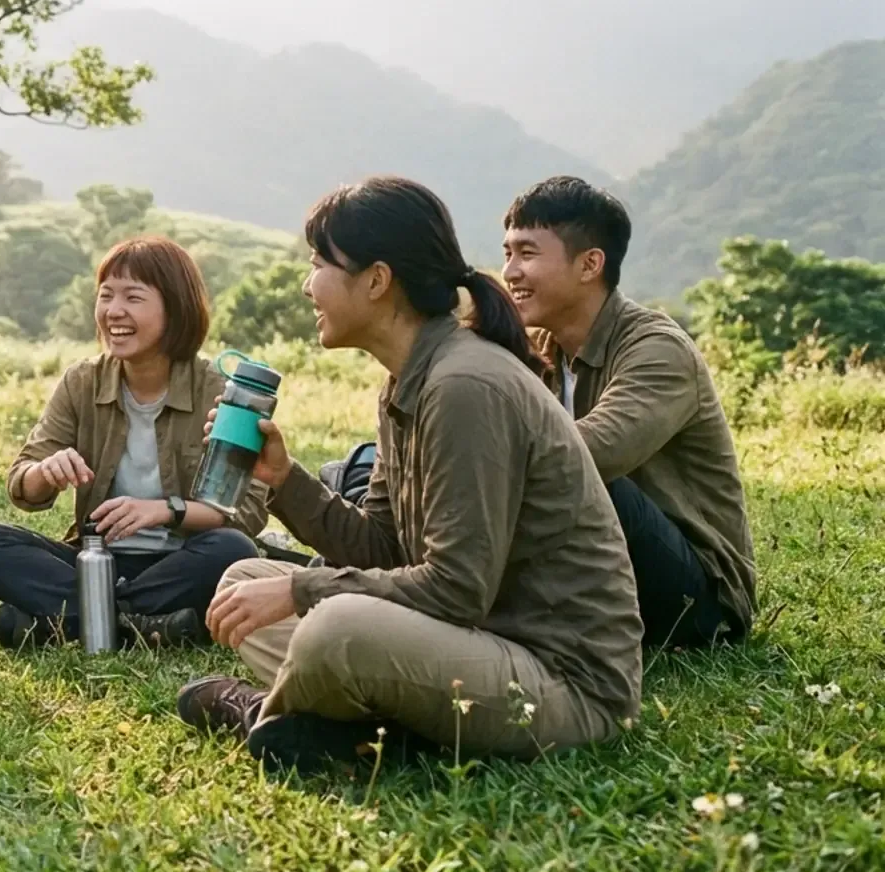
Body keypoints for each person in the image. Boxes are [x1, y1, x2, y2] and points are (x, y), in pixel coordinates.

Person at [177, 177, 643, 774]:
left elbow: (456, 588)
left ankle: (268, 715)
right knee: (243, 578)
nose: (306, 283)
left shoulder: (463, 386)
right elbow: (383, 549)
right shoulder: (409, 380)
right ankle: (362, 729)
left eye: (320, 262)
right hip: (472, 643)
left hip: (562, 685)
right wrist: (285, 478)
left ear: (376, 280)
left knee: (335, 627)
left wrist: (302, 590)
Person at [0, 237, 267, 651]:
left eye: (133, 297)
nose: (113, 311)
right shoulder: (81, 381)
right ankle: (147, 625)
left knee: (231, 549)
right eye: (106, 296)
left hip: (178, 563)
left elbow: (245, 511)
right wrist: (45, 473)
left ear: (175, 308)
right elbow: (23, 482)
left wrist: (164, 511)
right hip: (93, 561)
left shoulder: (220, 392)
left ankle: (63, 621)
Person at [503, 176, 755, 648]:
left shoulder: (657, 349)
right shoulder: (538, 349)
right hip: (596, 568)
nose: (510, 271)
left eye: (527, 254)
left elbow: (591, 455)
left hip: (694, 594)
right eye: (508, 253)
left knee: (578, 475)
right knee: (374, 465)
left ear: (590, 264)